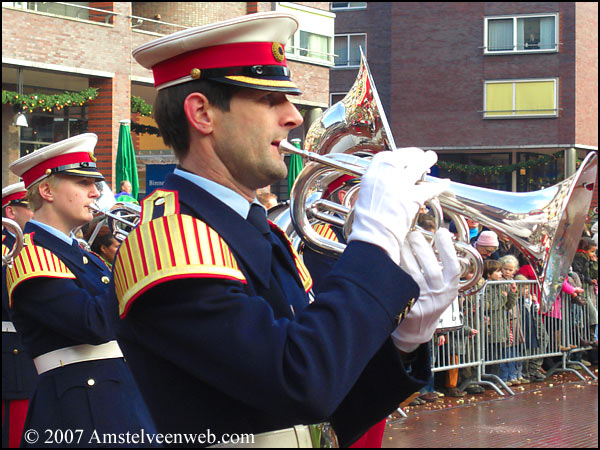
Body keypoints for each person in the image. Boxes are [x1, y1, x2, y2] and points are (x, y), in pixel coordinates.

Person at [112, 12, 460, 447]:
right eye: (268, 99)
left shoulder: (260, 232)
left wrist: (404, 339)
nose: (294, 116)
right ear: (202, 113)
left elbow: (334, 406)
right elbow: (299, 382)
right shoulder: (170, 241)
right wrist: (373, 242)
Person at [6, 134, 156, 447]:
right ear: (46, 190)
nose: (95, 192)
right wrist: (138, 258)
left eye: (95, 184)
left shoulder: (82, 252)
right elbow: (94, 323)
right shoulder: (29, 253)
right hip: (80, 408)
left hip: (118, 397)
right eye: (81, 183)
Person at [2, 183, 37, 449]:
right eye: (29, 206)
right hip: (11, 355)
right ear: (10, 211)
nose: (35, 211)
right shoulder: (9, 248)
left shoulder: (29, 244)